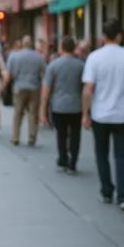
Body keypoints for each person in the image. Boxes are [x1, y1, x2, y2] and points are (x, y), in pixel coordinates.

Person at [82, 19, 124, 211]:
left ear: (103, 37)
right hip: (123, 114)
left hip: (100, 114)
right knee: (122, 156)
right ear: (119, 36)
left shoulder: (94, 57)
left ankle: (106, 191)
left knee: (101, 154)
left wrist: (85, 113)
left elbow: (88, 89)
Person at [39, 36, 84, 173]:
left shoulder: (53, 65)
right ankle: (73, 162)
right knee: (75, 134)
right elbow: (86, 87)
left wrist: (43, 111)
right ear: (74, 48)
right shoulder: (81, 65)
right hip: (76, 106)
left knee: (61, 134)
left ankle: (63, 158)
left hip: (58, 106)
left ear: (61, 48)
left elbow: (46, 89)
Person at [5, 35, 46, 146]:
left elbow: (9, 73)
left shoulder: (14, 56)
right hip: (34, 87)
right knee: (33, 113)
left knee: (18, 113)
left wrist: (4, 86)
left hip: (19, 86)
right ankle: (32, 137)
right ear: (31, 44)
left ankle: (15, 137)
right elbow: (44, 72)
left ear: (22, 44)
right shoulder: (39, 57)